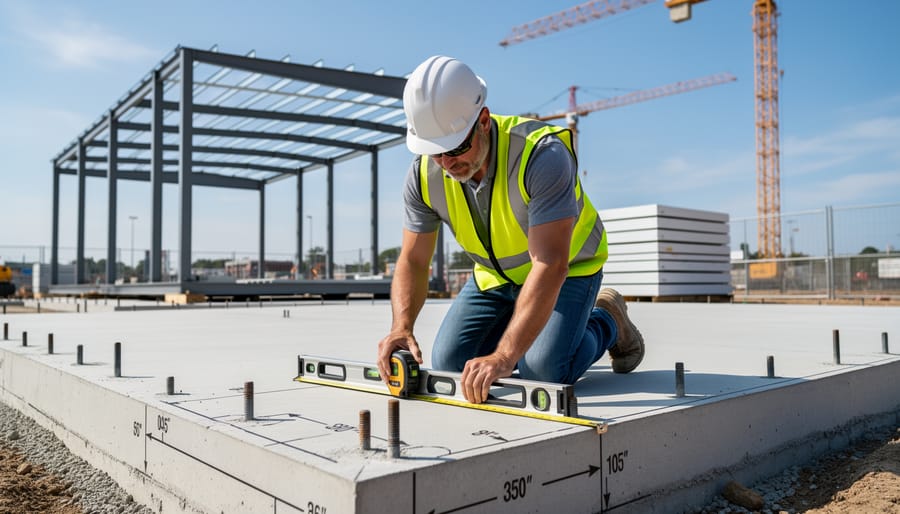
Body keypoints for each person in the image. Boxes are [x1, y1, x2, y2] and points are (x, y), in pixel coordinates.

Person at [376, 55, 644, 404]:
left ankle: (608, 319)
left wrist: (505, 356)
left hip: (569, 268)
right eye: (435, 153)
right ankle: (526, 331)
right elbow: (413, 260)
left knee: (543, 370)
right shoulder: (424, 176)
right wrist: (402, 326)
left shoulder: (541, 155)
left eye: (455, 148)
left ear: (483, 120)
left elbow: (550, 262)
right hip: (495, 278)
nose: (446, 163)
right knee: (451, 366)